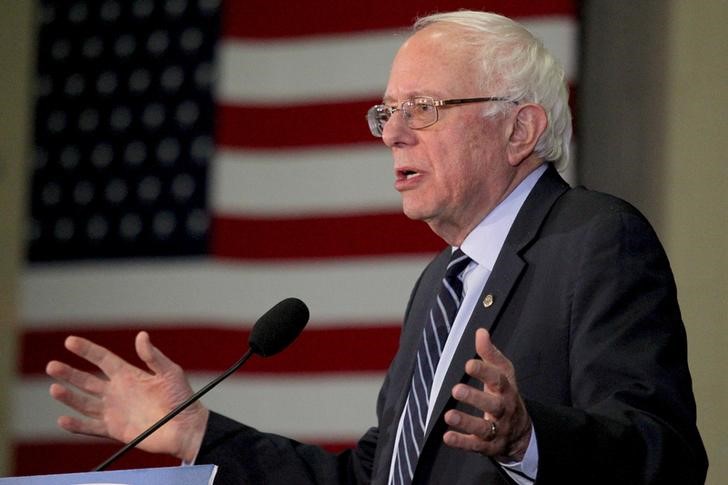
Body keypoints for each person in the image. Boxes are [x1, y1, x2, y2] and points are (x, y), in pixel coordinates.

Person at [46, 10, 708, 485]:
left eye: (421, 107)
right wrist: (192, 429)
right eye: (386, 113)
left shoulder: (594, 238)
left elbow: (664, 457)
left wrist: (528, 437)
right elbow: (376, 474)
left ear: (518, 129)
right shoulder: (441, 284)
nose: (392, 134)